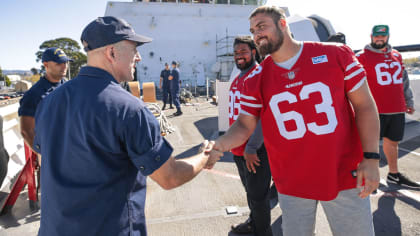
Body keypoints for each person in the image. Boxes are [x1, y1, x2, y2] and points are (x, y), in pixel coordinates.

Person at [32, 16, 222, 236]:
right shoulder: (130, 110)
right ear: (112, 53)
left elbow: (43, 159)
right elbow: (170, 177)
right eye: (134, 50)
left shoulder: (49, 101)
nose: (139, 57)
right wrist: (205, 156)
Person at [211, 6, 381, 236]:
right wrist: (219, 145)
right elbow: (244, 124)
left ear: (283, 24)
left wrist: (371, 157)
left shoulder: (336, 54)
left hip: (343, 172)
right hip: (292, 181)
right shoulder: (257, 78)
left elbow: (365, 106)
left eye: (262, 26)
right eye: (253, 30)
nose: (257, 34)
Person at [356, 25, 419, 189]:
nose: (379, 39)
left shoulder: (396, 55)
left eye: (382, 36)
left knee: (393, 142)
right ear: (371, 36)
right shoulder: (361, 57)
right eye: (376, 36)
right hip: (373, 110)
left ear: (388, 37)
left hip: (396, 108)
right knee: (369, 145)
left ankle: (394, 175)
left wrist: (409, 101)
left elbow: (403, 80)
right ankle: (370, 179)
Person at [228, 36, 273, 236]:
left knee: (259, 196)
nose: (239, 56)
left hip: (254, 150)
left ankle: (263, 232)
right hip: (239, 148)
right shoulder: (240, 77)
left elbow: (266, 115)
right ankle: (253, 223)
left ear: (254, 52)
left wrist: (252, 147)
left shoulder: (259, 74)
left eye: (243, 51)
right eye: (236, 52)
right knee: (251, 193)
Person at [19, 47, 71, 150]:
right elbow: (26, 131)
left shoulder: (69, 86)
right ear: (46, 65)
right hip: (53, 151)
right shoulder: (33, 94)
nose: (64, 66)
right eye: (59, 63)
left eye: (66, 62)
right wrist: (43, 154)